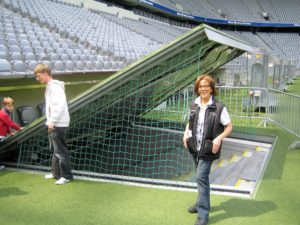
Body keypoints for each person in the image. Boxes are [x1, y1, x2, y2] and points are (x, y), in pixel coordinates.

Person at [183, 75, 233, 225]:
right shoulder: (194, 104)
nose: (203, 88)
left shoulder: (219, 107)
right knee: (201, 178)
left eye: (206, 86)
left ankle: (203, 214)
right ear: (197, 89)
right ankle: (200, 204)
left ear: (211, 88)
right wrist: (185, 134)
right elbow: (190, 122)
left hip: (208, 148)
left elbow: (229, 126)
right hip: (194, 147)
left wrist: (218, 139)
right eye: (200, 86)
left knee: (200, 177)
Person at [34, 64, 73, 185]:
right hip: (55, 122)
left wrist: (52, 121)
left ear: (45, 73)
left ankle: (66, 176)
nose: (37, 78)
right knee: (54, 149)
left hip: (58, 123)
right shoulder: (51, 87)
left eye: (38, 75)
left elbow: (59, 105)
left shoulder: (55, 88)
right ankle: (56, 173)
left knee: (60, 151)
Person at [0, 97, 22, 170]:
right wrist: (19, 128)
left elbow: (5, 124)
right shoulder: (3, 114)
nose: (12, 107)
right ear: (5, 106)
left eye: (12, 105)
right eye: (9, 106)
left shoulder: (5, 113)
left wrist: (9, 132)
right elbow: (10, 123)